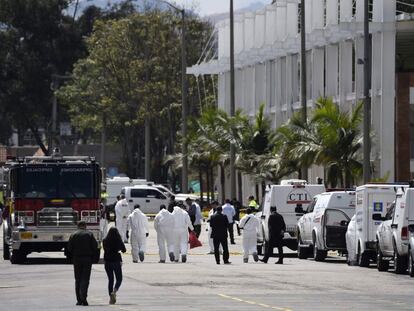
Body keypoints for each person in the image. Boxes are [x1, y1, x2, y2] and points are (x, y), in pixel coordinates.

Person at [67, 221, 98, 306]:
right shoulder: (89, 234)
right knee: (85, 279)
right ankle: (84, 297)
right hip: (87, 259)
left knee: (78, 279)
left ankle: (79, 300)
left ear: (78, 226)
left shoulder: (73, 235)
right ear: (85, 226)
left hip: (76, 259)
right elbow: (95, 246)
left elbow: (69, 248)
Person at [103, 227, 126, 305]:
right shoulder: (118, 240)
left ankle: (110, 296)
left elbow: (105, 249)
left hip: (107, 261)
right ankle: (114, 291)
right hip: (116, 260)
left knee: (110, 279)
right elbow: (124, 250)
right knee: (119, 278)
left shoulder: (105, 240)